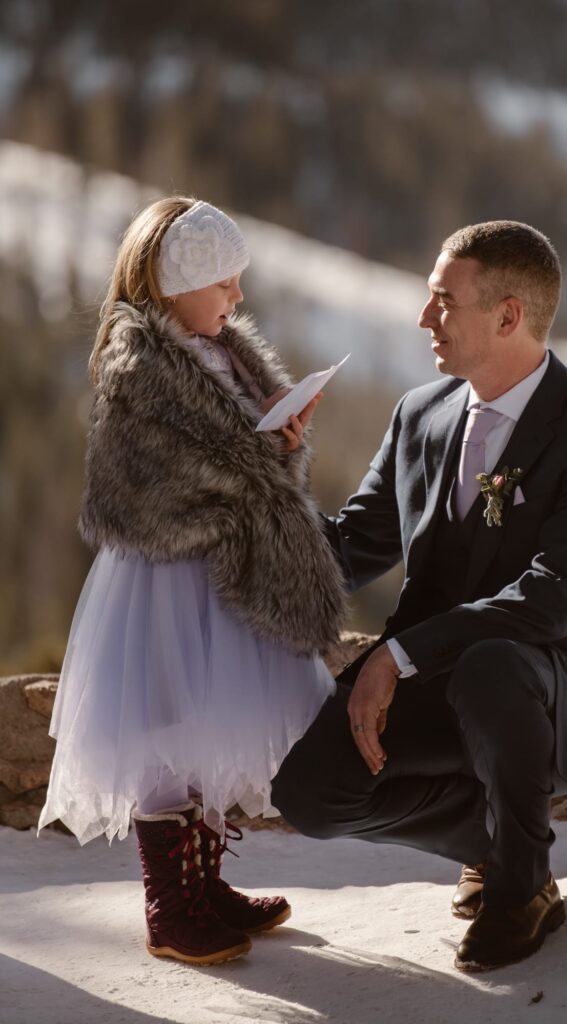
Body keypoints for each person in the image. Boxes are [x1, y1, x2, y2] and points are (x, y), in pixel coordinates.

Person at [271, 220, 567, 971]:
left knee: (495, 665)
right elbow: (343, 554)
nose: (423, 317)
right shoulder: (420, 414)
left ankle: (520, 887)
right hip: (440, 683)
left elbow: (549, 603)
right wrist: (278, 480)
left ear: (508, 315)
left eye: (444, 300)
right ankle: (499, 839)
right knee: (310, 792)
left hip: (557, 695)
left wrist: (398, 654)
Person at [39, 197, 346, 966]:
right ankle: (169, 906)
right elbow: (148, 476)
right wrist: (252, 458)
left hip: (223, 569)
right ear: (178, 284)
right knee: (165, 733)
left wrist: (279, 443)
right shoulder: (139, 365)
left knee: (206, 726)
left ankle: (204, 886)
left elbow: (239, 462)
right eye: (224, 283)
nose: (237, 299)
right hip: (166, 576)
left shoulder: (223, 351)